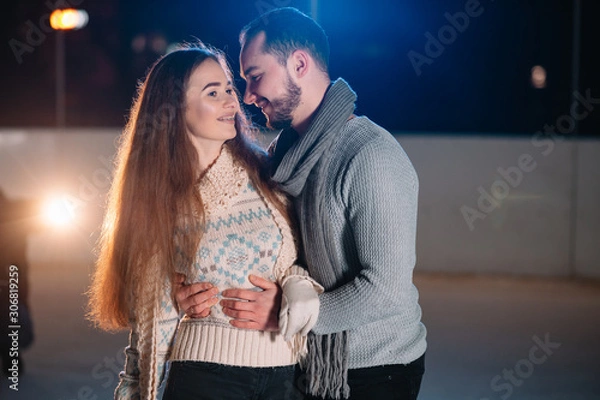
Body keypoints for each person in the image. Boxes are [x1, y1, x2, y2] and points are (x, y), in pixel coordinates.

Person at [178, 7, 427, 400]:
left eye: (256, 76)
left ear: (298, 63)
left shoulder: (370, 155)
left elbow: (385, 290)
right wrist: (178, 287)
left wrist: (286, 314)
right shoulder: (284, 155)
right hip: (310, 361)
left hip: (377, 367)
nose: (247, 95)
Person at [87, 43, 322, 400]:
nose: (232, 101)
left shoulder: (269, 173)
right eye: (213, 92)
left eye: (229, 88)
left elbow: (303, 259)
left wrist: (299, 288)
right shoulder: (157, 196)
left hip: (286, 375)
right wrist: (171, 299)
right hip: (203, 374)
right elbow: (145, 311)